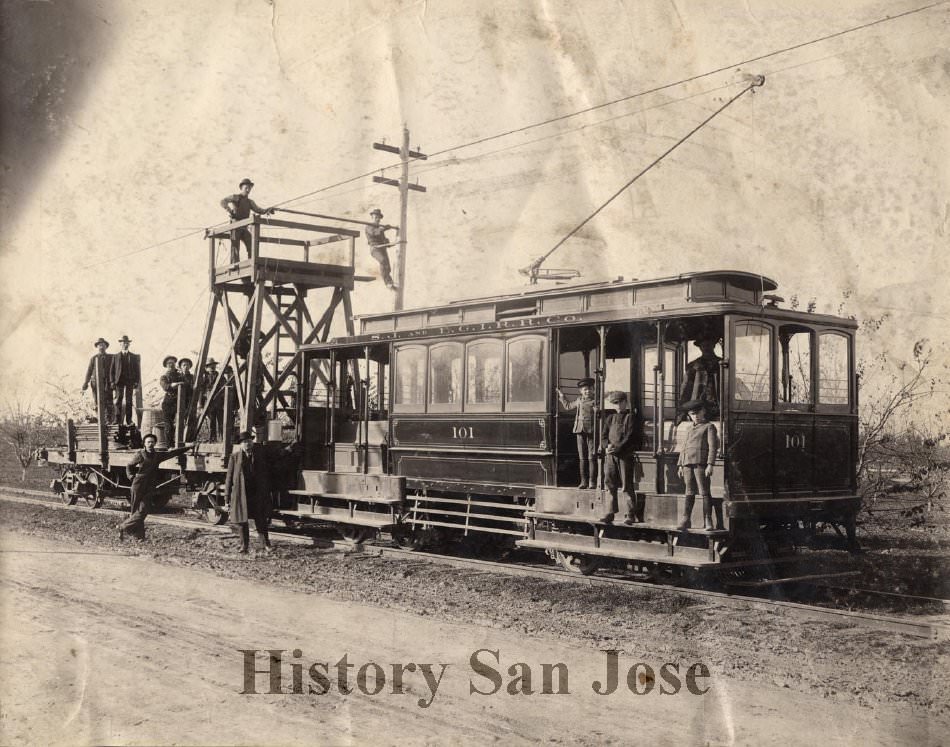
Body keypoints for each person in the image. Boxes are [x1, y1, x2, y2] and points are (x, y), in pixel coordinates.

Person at [119, 434, 194, 540]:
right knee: (135, 509)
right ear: (144, 443)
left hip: (149, 486)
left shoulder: (157, 455)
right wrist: (131, 477)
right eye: (148, 442)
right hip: (138, 484)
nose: (150, 444)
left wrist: (188, 447)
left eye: (152, 442)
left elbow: (171, 453)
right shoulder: (140, 454)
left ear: (155, 443)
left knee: (143, 510)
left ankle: (123, 527)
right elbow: (129, 466)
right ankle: (138, 536)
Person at [676, 400, 721, 531]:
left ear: (703, 412)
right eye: (692, 414)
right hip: (687, 464)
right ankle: (686, 519)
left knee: (704, 492)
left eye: (697, 413)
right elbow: (684, 447)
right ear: (689, 415)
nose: (695, 416)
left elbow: (713, 447)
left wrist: (710, 464)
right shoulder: (689, 428)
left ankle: (708, 520)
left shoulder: (709, 427)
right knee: (689, 492)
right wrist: (680, 465)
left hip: (701, 464)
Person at [225, 431, 273, 554]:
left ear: (252, 442)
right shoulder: (234, 457)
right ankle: (244, 546)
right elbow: (229, 478)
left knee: (260, 519)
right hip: (241, 494)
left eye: (249, 441)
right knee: (242, 521)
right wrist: (227, 497)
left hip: (256, 493)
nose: (247, 444)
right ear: (240, 445)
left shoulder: (259, 455)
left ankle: (266, 544)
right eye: (244, 442)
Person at [601, 391, 642, 524]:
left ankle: (630, 514)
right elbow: (603, 436)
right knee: (610, 484)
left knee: (627, 485)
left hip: (625, 455)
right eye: (615, 403)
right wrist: (606, 446)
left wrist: (617, 448)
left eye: (620, 402)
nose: (618, 405)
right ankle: (610, 512)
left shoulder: (631, 418)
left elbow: (630, 436)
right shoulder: (610, 418)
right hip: (610, 456)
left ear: (626, 402)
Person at [220, 178, 275, 263]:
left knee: (252, 243)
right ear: (241, 188)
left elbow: (259, 210)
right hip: (235, 226)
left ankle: (251, 262)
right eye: (246, 187)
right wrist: (229, 210)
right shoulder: (236, 197)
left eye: (249, 188)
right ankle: (234, 265)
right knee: (235, 246)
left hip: (244, 227)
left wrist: (268, 210)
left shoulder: (250, 202)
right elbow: (223, 201)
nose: (248, 190)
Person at [556, 377, 597, 489]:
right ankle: (583, 482)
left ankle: (592, 482)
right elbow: (568, 406)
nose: (587, 391)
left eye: (589, 389)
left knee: (591, 457)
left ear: (593, 390)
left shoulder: (595, 402)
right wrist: (561, 396)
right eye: (585, 389)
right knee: (582, 458)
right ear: (581, 391)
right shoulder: (579, 400)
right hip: (579, 431)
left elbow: (600, 416)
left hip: (591, 432)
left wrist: (598, 410)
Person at [679, 337, 722, 421]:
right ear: (700, 347)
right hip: (698, 407)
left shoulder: (721, 364)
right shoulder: (693, 366)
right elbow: (686, 387)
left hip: (718, 407)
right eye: (703, 345)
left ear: (713, 346)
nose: (706, 348)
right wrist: (683, 407)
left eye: (708, 345)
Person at [110, 335, 141, 428]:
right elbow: (112, 370)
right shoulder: (115, 356)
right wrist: (112, 382)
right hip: (119, 381)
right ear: (120, 344)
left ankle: (129, 420)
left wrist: (136, 381)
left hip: (130, 381)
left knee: (129, 401)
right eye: (123, 343)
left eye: (127, 343)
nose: (125, 344)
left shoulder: (134, 357)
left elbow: (137, 370)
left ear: (129, 344)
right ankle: (117, 419)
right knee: (118, 400)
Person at [82, 337, 115, 423]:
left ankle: (108, 419)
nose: (101, 347)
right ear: (97, 347)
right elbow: (89, 371)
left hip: (108, 383)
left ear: (106, 347)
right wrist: (85, 383)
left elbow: (115, 369)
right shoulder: (94, 358)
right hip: (96, 384)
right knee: (98, 401)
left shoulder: (111, 357)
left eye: (103, 345)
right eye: (99, 345)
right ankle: (100, 419)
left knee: (108, 401)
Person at [364, 208, 398, 290]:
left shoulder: (380, 228)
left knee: (387, 267)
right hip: (375, 249)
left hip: (382, 248)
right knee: (382, 260)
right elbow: (374, 233)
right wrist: (384, 228)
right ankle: (387, 283)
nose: (377, 219)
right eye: (375, 217)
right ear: (372, 217)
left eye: (378, 218)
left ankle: (390, 283)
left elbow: (383, 239)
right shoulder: (369, 226)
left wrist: (390, 243)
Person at [159, 355, 184, 446]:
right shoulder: (164, 377)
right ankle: (170, 444)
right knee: (169, 425)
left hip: (179, 402)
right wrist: (175, 384)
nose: (171, 365)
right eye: (169, 363)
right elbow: (166, 386)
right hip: (168, 403)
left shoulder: (180, 375)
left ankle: (179, 442)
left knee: (181, 423)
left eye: (173, 363)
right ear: (166, 365)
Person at [199, 359, 222, 441]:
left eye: (213, 365)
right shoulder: (204, 378)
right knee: (211, 421)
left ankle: (222, 439)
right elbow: (201, 391)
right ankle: (212, 439)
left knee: (221, 421)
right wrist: (201, 405)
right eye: (210, 366)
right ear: (206, 368)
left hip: (219, 402)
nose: (212, 367)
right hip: (209, 402)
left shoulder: (220, 375)